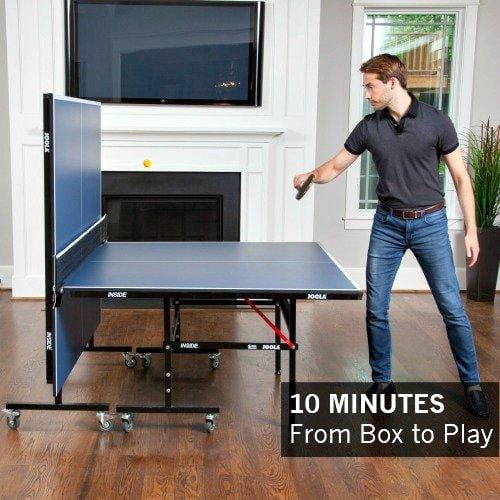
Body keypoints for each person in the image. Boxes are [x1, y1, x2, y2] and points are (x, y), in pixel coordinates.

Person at [294, 53, 489, 417]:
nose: (367, 94)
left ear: (392, 82)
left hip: (430, 224)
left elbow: (462, 178)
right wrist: (311, 175)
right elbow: (335, 166)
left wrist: (472, 231)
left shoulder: (436, 121)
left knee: (451, 308)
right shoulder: (369, 127)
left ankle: (472, 385)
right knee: (376, 307)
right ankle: (382, 381)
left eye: (371, 86)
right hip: (387, 225)